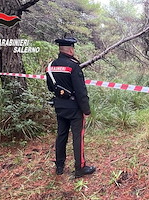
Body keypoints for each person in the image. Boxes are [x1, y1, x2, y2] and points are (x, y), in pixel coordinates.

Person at [46, 37, 96, 178]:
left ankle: (59, 166)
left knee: (61, 135)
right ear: (71, 50)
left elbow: (51, 87)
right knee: (77, 137)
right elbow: (81, 91)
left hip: (59, 106)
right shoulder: (73, 66)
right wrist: (86, 110)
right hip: (74, 108)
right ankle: (80, 168)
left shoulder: (50, 66)